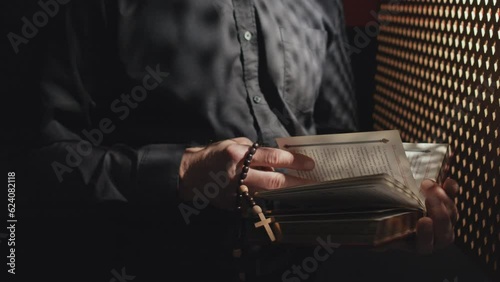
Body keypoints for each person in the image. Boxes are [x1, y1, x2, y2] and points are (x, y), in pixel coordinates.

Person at [8, 0, 458, 281]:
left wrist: (385, 216)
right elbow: (24, 172)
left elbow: (338, 155)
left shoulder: (321, 5)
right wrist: (182, 173)